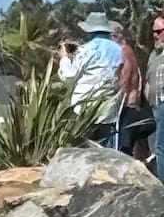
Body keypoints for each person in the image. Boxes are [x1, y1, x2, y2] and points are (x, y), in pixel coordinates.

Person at [58, 12, 123, 148]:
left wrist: (64, 57)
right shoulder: (118, 50)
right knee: (106, 151)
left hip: (84, 109)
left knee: (85, 151)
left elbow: (69, 76)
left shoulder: (85, 50)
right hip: (108, 109)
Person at [112, 22, 155, 158]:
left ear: (116, 35)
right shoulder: (125, 51)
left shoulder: (124, 51)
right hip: (126, 107)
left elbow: (125, 80)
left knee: (124, 150)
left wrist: (116, 98)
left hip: (128, 108)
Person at [147, 16, 164, 178]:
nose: (155, 35)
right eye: (154, 32)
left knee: (160, 147)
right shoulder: (154, 55)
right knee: (156, 148)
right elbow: (148, 79)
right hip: (155, 107)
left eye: (158, 32)